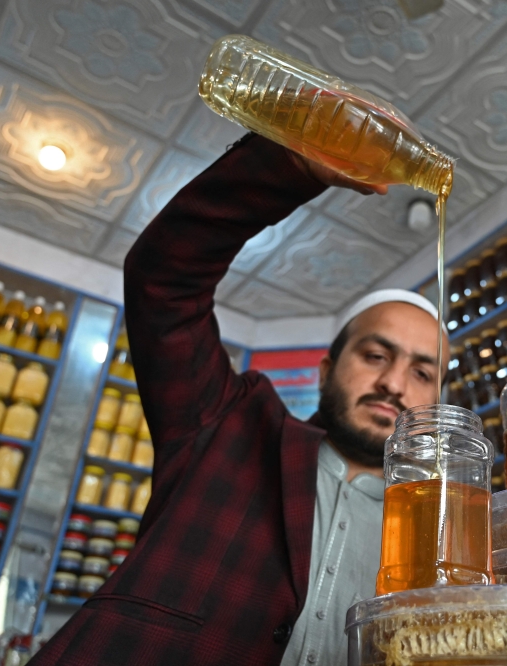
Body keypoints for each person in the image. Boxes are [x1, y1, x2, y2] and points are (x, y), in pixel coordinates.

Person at [29, 133, 446, 666]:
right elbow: (165, 282)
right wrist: (290, 165)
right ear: (326, 370)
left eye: (422, 371)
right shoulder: (229, 426)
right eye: (374, 355)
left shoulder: (441, 528)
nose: (394, 384)